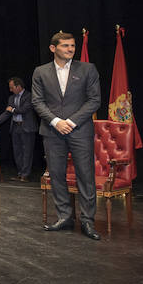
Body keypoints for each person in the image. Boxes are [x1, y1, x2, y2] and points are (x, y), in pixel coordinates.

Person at [32, 31, 101, 240]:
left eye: (72, 46)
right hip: (52, 132)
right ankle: (65, 217)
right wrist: (55, 122)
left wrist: (70, 122)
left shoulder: (88, 69)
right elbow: (37, 101)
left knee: (85, 176)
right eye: (65, 46)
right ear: (53, 48)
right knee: (57, 175)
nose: (70, 49)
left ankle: (88, 221)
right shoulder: (40, 72)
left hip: (79, 130)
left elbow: (94, 100)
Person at [0, 77, 38, 182]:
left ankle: (25, 174)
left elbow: (24, 109)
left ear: (18, 86)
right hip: (15, 127)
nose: (10, 90)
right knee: (17, 152)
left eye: (12, 88)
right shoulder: (11, 98)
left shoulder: (29, 96)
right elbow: (7, 113)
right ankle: (20, 173)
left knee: (27, 152)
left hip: (27, 128)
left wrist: (13, 109)